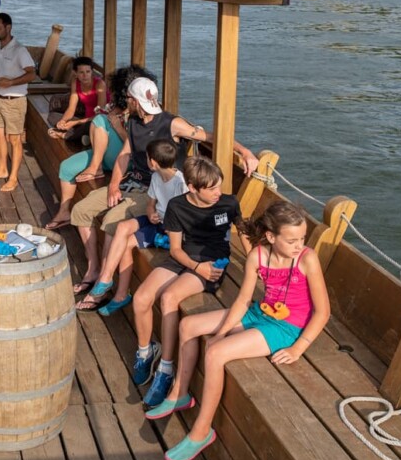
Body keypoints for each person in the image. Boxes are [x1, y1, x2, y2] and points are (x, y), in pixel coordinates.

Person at [153, 201, 330, 460]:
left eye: (302, 238)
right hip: (261, 312)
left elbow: (322, 312)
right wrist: (222, 331)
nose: (299, 245)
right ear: (271, 237)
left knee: (216, 353)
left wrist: (298, 347)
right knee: (188, 326)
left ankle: (201, 431)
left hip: (287, 327)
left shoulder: (307, 259)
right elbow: (242, 301)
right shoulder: (258, 255)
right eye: (292, 240)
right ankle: (179, 393)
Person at [70, 76, 259, 298]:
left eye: (130, 99)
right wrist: (113, 185)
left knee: (113, 221)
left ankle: (103, 281)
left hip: (155, 190)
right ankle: (93, 269)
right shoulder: (132, 122)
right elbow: (125, 154)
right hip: (130, 182)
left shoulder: (171, 123)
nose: (127, 101)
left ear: (136, 101)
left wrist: (244, 151)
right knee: (80, 211)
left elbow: (208, 136)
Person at [131, 157, 246, 409]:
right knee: (141, 298)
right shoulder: (177, 206)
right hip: (185, 257)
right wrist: (195, 266)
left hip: (211, 261)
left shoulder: (229, 203)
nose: (219, 193)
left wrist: (253, 265)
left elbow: (245, 235)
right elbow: (174, 249)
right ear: (193, 188)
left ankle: (166, 369)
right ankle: (145, 351)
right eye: (212, 188)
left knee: (169, 297)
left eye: (219, 186)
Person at [75, 139, 185, 314]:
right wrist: (150, 213)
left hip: (170, 230)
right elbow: (150, 204)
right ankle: (106, 278)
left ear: (153, 162)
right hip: (157, 221)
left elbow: (185, 216)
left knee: (126, 244)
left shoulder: (180, 183)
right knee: (122, 228)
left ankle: (119, 295)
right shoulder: (156, 177)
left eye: (147, 158)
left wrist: (166, 224)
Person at [44, 65, 144, 229]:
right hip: (104, 155)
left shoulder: (140, 114)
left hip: (126, 162)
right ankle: (64, 211)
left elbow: (136, 147)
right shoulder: (117, 107)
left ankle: (95, 167)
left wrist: (118, 127)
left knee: (100, 121)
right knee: (66, 167)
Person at [0, 13, 35, 193]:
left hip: (15, 101)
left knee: (14, 139)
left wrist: (10, 82)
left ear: (8, 28)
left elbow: (31, 73)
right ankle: (3, 170)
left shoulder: (20, 50)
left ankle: (13, 178)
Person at [47, 56, 107, 145]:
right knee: (52, 116)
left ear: (92, 71)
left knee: (90, 125)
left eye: (88, 72)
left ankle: (65, 135)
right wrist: (63, 121)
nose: (85, 75)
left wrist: (75, 122)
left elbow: (100, 115)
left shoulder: (99, 84)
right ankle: (82, 137)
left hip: (99, 119)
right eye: (81, 72)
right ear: (75, 73)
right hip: (84, 117)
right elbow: (71, 109)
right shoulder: (75, 82)